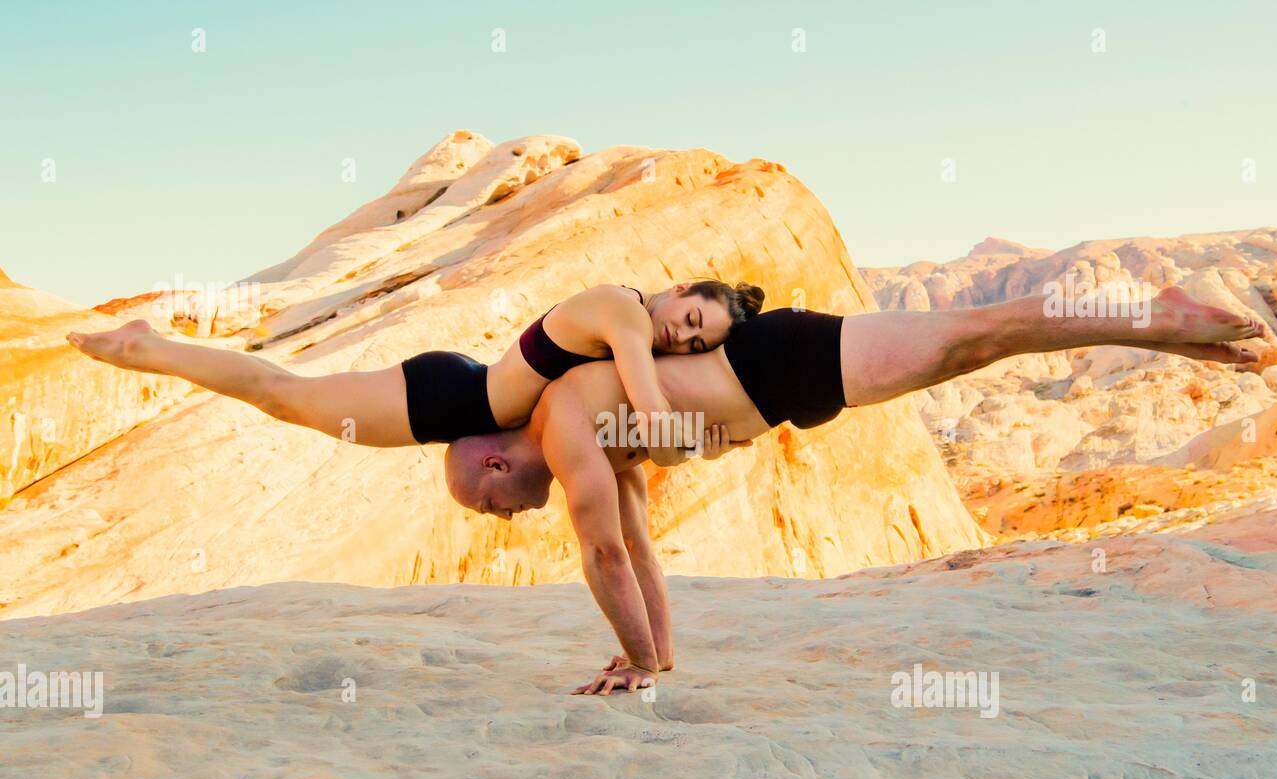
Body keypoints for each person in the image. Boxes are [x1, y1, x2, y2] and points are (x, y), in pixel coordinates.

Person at [438, 287, 1266, 694]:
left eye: (486, 507)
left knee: (973, 337)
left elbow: (606, 555)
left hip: (778, 360)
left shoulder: (562, 427)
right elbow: (645, 549)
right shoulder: (582, 424)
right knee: (974, 347)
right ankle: (1165, 331)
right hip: (780, 382)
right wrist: (653, 657)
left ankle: (1157, 315)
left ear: (495, 468)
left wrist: (641, 669)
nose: (500, 521)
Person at [66, 279, 764, 467]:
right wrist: (727, 436)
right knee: (283, 395)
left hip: (459, 391)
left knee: (286, 397)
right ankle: (142, 345)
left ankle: (146, 345)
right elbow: (650, 411)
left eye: (697, 344)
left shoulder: (633, 319)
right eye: (694, 319)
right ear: (678, 292)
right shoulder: (628, 314)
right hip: (449, 400)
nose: (684, 336)